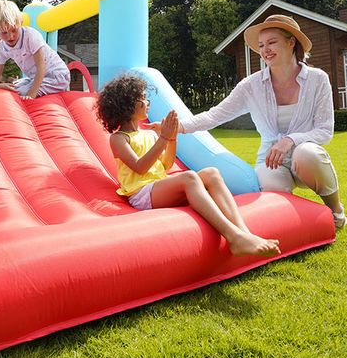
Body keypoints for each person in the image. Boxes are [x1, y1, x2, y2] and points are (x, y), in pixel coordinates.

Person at [145, 14, 346, 230]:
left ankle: (336, 211)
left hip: (305, 158)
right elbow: (215, 115)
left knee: (307, 153)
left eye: (272, 42)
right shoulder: (251, 85)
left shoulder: (318, 79)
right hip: (271, 160)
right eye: (261, 45)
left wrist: (290, 140)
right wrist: (177, 127)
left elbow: (324, 130)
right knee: (273, 192)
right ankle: (296, 225)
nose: (265, 50)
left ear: (291, 42)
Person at [96, 74, 281, 258]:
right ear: (127, 105)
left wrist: (171, 136)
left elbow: (166, 165)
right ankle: (234, 237)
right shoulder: (119, 139)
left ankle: (244, 233)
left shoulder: (149, 134)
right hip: (142, 193)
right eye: (142, 99)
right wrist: (163, 138)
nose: (147, 102)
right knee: (189, 177)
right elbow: (140, 167)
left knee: (212, 173)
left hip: (158, 186)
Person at [0, 0, 70, 99]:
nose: (10, 37)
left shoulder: (30, 36)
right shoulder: (3, 47)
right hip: (34, 78)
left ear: (20, 23)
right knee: (12, 88)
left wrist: (30, 95)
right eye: (4, 33)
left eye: (14, 30)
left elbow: (41, 68)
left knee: (19, 92)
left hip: (57, 76)